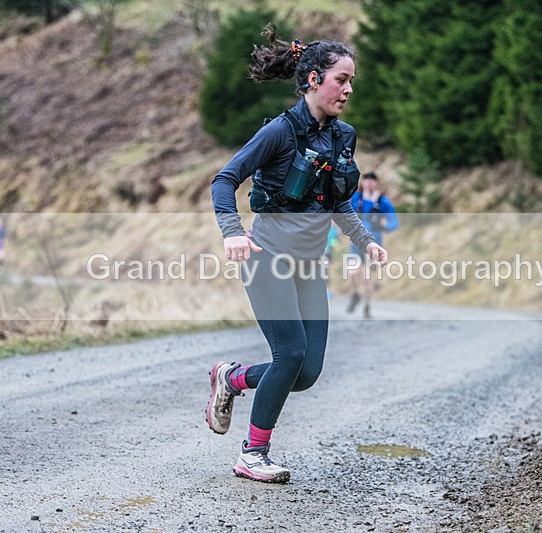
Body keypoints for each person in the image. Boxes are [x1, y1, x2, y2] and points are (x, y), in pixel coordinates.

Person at [207, 25, 387, 483]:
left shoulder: (344, 136)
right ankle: (253, 453)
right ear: (313, 80)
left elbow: (338, 201)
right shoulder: (279, 132)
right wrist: (232, 232)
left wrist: (364, 240)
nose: (347, 89)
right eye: (340, 79)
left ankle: (232, 378)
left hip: (310, 266)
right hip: (266, 256)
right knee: (288, 356)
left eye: (351, 81)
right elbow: (225, 180)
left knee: (306, 372)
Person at [346, 171, 398, 319]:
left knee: (368, 278)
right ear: (362, 183)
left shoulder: (383, 202)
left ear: (376, 183)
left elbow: (394, 222)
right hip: (356, 243)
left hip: (375, 245)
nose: (369, 183)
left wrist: (383, 227)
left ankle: (367, 307)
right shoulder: (355, 199)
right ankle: (355, 294)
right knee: (352, 272)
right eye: (366, 180)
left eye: (372, 180)